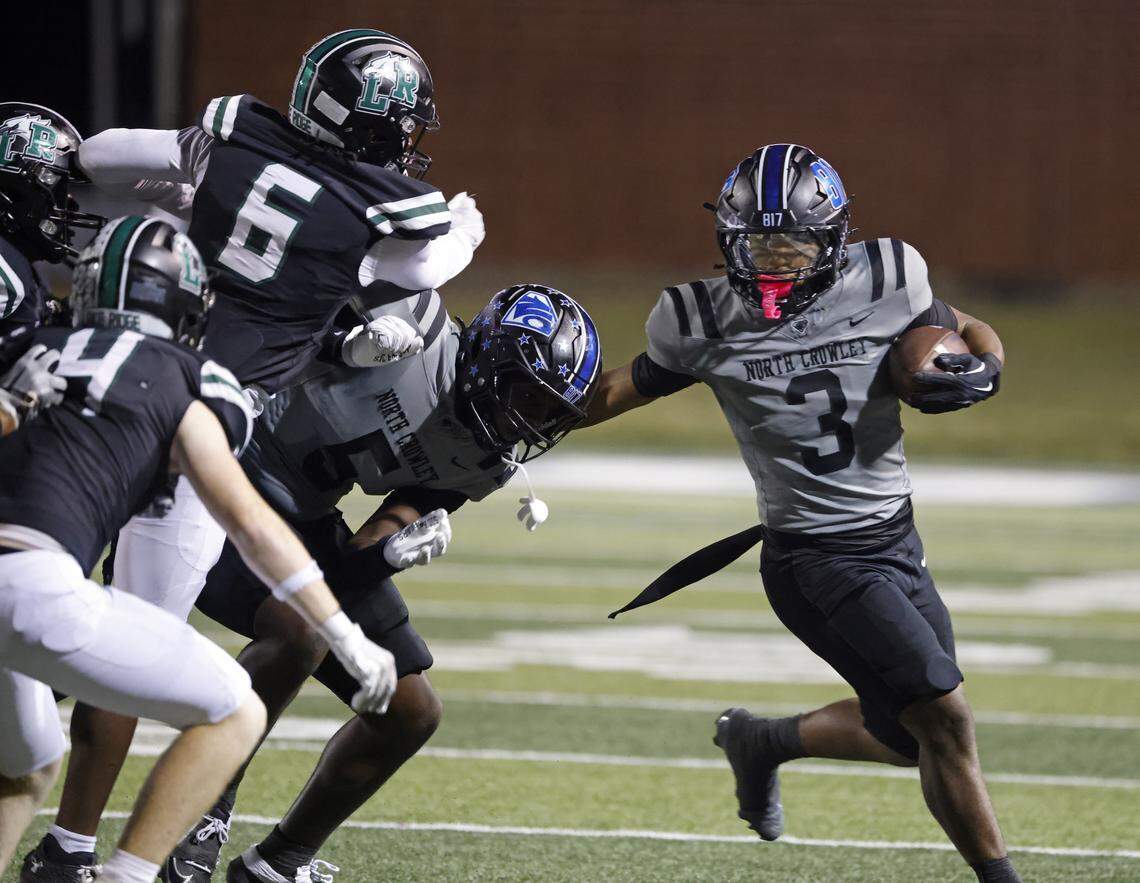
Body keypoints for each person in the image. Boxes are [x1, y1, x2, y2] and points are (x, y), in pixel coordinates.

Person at [21, 28, 485, 881]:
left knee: (64, 615)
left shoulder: (235, 135)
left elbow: (110, 153)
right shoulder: (389, 214)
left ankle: (68, 843)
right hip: (207, 414)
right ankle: (119, 865)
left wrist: (78, 170)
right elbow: (431, 263)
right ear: (374, 128)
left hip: (121, 384)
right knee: (144, 639)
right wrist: (464, 225)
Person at [583, 144, 1019, 883]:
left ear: (835, 238)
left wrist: (988, 370)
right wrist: (508, 413)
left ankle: (764, 741)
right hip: (814, 559)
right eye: (758, 244)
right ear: (728, 241)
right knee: (945, 717)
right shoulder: (700, 319)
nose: (776, 261)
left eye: (793, 243)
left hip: (895, 540)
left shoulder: (888, 278)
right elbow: (614, 391)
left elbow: (970, 328)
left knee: (906, 737)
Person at [0, 216, 409, 883]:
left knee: (26, 761)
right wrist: (342, 632)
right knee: (237, 707)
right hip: (32, 588)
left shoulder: (26, 341)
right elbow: (250, 522)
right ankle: (127, 876)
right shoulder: (186, 378)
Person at [177, 283, 600, 882]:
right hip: (214, 466)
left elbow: (351, 567)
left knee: (409, 711)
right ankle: (205, 801)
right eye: (526, 396)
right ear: (487, 357)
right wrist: (339, 345)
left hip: (300, 516)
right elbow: (263, 322)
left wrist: (389, 556)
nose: (525, 420)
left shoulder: (479, 461)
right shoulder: (409, 324)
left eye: (546, 411)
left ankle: (279, 863)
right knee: (299, 632)